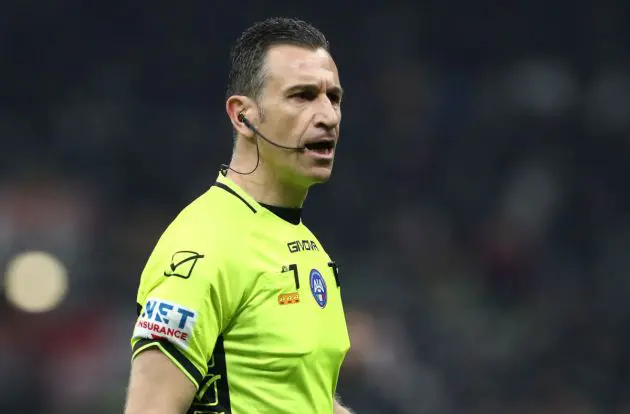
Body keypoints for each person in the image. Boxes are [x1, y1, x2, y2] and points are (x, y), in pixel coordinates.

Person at [124, 17, 354, 414]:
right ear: (243, 116)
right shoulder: (204, 245)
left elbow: (295, 396)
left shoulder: (303, 243)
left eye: (333, 98)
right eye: (303, 96)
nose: (328, 116)